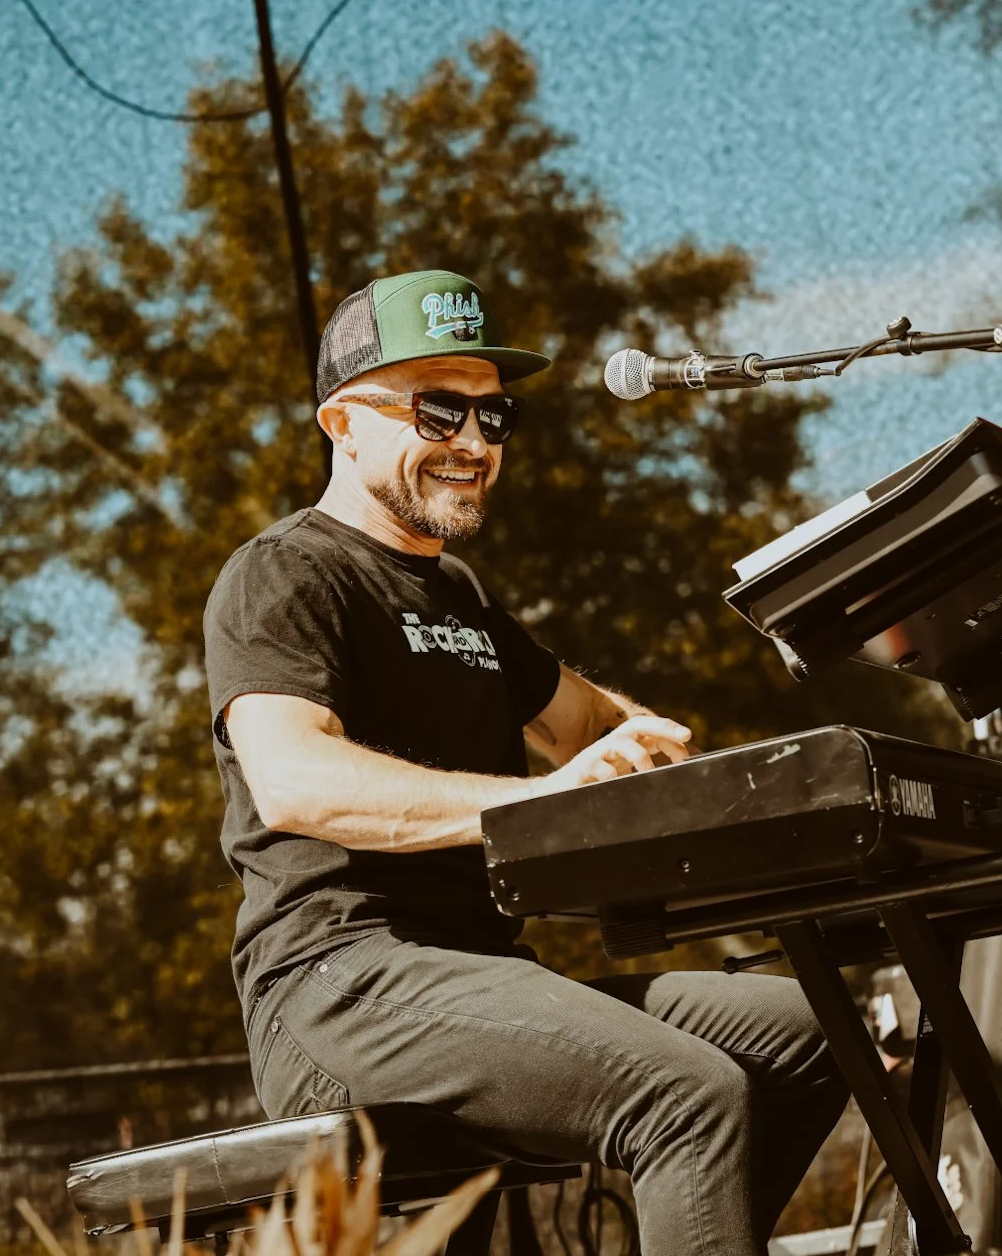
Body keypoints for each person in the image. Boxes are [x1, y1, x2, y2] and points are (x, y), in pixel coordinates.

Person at [203, 270, 847, 1254]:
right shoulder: (285, 572)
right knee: (687, 1092)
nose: (473, 444)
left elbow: (589, 721)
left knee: (812, 1032)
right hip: (339, 985)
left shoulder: (458, 596)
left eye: (492, 416)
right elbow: (293, 780)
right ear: (344, 421)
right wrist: (536, 802)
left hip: (478, 976)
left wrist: (647, 745)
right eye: (441, 408)